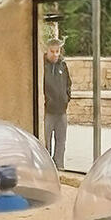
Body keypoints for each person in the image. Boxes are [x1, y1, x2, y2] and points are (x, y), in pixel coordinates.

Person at [43, 38, 71, 169]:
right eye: (52, 51)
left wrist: (67, 98)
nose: (55, 54)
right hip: (48, 112)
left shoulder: (63, 65)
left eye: (57, 51)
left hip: (61, 111)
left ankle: (59, 168)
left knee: (61, 143)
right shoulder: (42, 66)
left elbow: (68, 83)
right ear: (47, 51)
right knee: (46, 143)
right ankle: (46, 169)